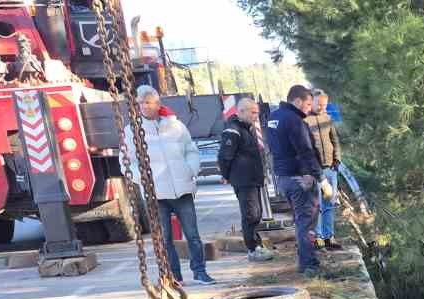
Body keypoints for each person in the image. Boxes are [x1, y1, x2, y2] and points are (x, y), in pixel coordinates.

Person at [130, 85, 214, 285]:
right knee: (165, 239)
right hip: (156, 193)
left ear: (158, 104)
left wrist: (190, 170)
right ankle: (174, 276)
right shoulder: (133, 130)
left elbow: (191, 150)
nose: (144, 106)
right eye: (141, 103)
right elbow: (128, 161)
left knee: (192, 235)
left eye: (148, 102)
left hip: (182, 189)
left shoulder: (176, 126)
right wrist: (142, 179)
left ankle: (200, 272)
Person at [268, 84, 322, 277]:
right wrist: (319, 177)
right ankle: (310, 266)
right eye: (308, 104)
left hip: (284, 177)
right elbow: (305, 151)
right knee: (306, 223)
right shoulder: (294, 120)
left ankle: (304, 261)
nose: (309, 109)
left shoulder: (273, 117)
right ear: (297, 101)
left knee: (300, 221)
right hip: (300, 178)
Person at [218, 97, 275, 262]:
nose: (256, 116)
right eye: (253, 112)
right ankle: (252, 248)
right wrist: (226, 175)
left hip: (252, 179)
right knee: (250, 214)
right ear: (241, 111)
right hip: (243, 180)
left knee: (256, 214)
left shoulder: (247, 128)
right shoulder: (233, 130)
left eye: (257, 112)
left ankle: (256, 245)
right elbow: (224, 156)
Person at [306, 89, 344, 250]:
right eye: (319, 104)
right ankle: (319, 236)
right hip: (315, 171)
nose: (322, 107)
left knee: (329, 204)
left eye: (324, 105)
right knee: (317, 206)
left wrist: (337, 159)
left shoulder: (327, 118)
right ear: (312, 102)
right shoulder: (305, 121)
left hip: (330, 168)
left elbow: (335, 140)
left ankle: (330, 236)